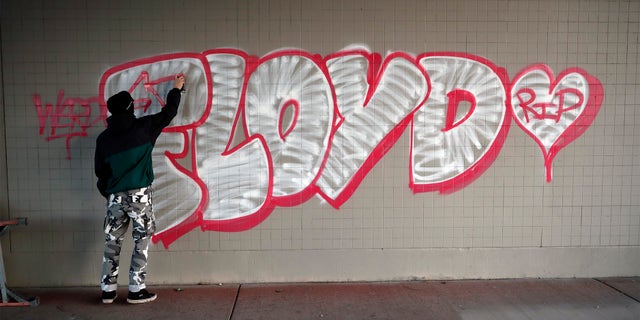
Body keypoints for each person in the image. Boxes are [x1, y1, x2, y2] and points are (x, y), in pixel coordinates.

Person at [94, 75, 185, 304]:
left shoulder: (103, 139)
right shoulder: (143, 128)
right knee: (141, 240)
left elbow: (100, 174)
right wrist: (176, 89)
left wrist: (110, 193)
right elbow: (169, 113)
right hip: (140, 196)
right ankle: (136, 289)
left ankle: (108, 290)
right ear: (130, 108)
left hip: (115, 197)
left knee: (112, 243)